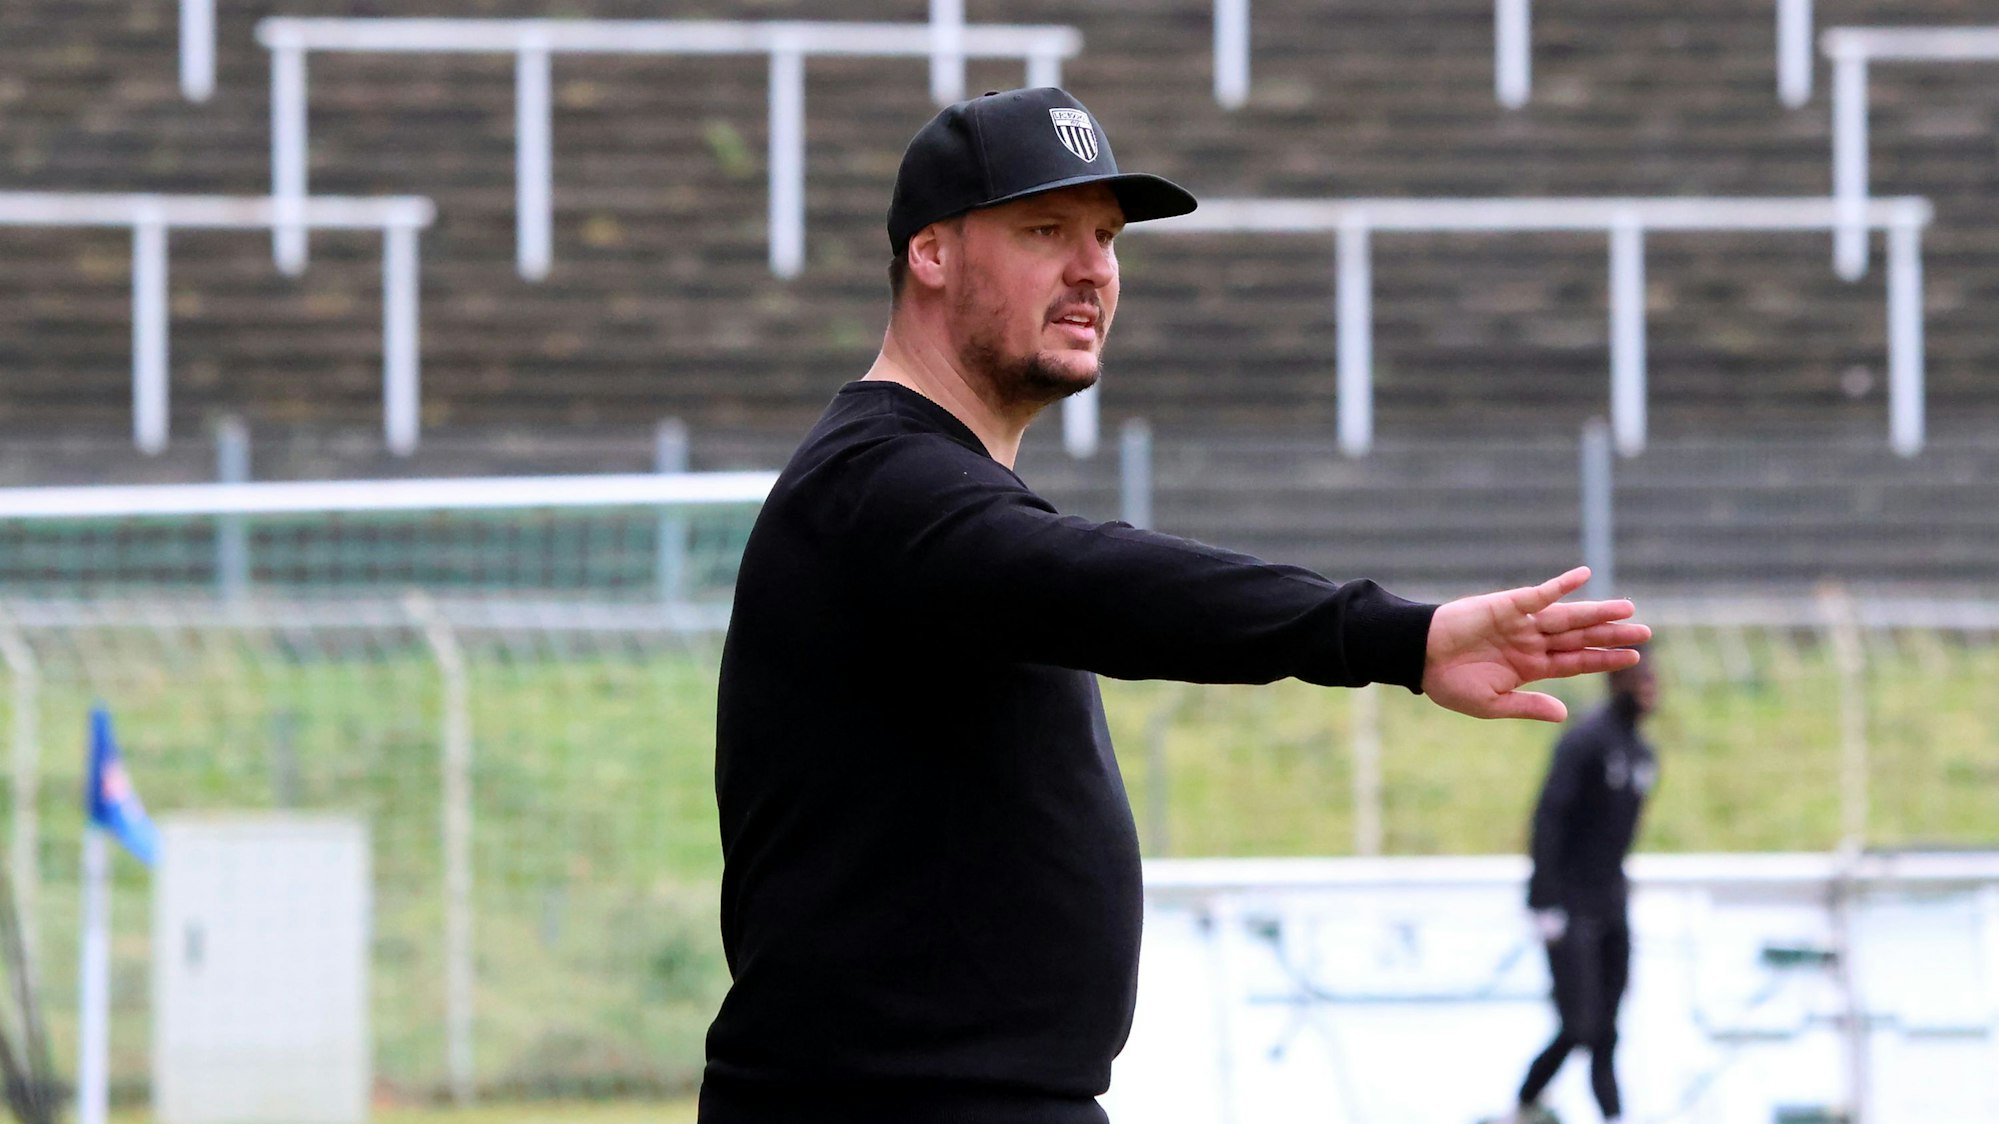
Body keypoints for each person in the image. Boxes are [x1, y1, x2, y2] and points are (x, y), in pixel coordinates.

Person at [699, 86, 1651, 1123]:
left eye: (1107, 237)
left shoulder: (926, 490)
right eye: (1045, 230)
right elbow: (1097, 580)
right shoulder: (879, 484)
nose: (1092, 269)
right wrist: (1395, 634)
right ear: (930, 251)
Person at [1504, 658, 1660, 1124]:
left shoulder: (1642, 753)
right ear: (1616, 681)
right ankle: (1524, 1104)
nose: (1649, 688)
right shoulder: (1585, 742)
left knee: (1608, 1028)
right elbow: (1549, 817)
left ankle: (1613, 1114)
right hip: (1569, 904)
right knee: (1579, 1024)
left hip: (1611, 902)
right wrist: (1543, 899)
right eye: (1639, 678)